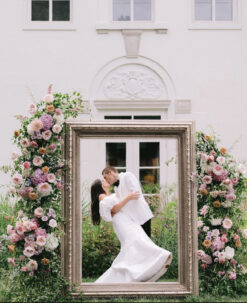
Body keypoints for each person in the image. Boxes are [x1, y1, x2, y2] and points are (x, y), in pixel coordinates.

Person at [90, 179, 173, 283]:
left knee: (139, 240)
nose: (106, 180)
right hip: (121, 222)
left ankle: (144, 267)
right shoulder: (102, 196)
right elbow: (115, 209)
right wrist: (128, 198)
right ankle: (157, 258)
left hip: (127, 219)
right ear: (100, 186)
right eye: (103, 180)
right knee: (135, 242)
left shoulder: (110, 194)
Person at [102, 166, 153, 237]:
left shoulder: (127, 175)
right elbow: (117, 203)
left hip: (141, 216)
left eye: (105, 177)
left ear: (110, 172)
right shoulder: (115, 188)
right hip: (131, 221)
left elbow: (135, 195)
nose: (106, 180)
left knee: (147, 244)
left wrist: (122, 204)